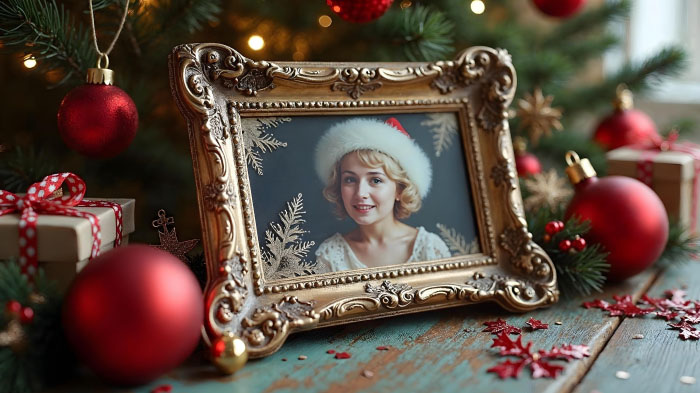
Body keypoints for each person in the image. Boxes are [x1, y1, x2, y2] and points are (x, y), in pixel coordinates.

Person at [314, 117, 451, 272]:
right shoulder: (331, 255)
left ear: (400, 189)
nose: (361, 193)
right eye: (350, 179)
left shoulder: (431, 249)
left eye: (376, 180)